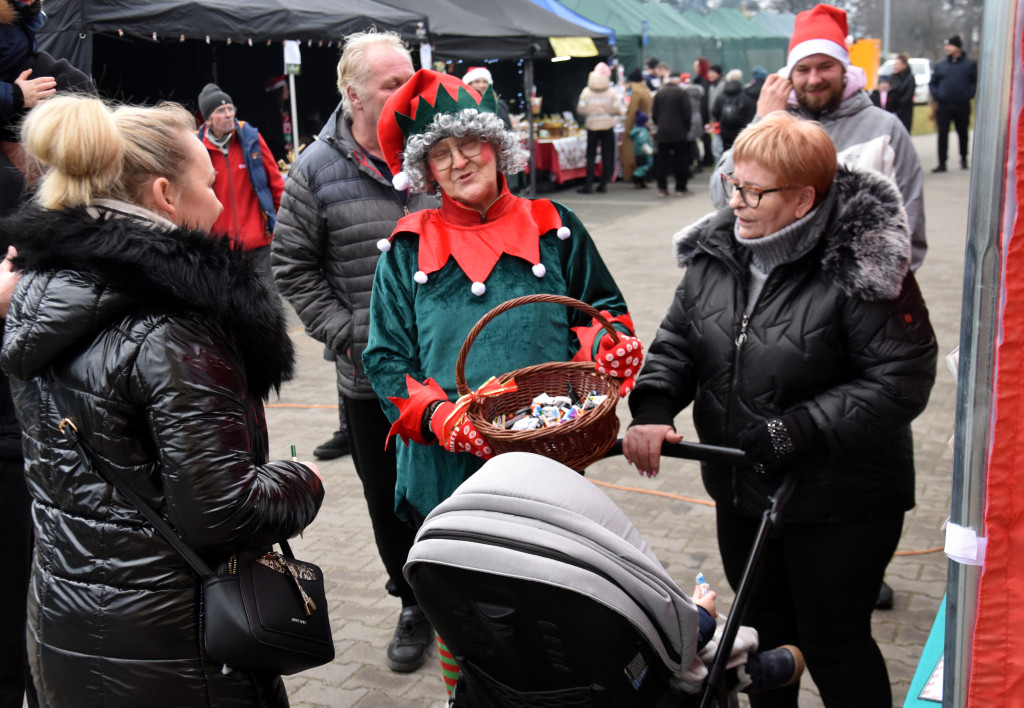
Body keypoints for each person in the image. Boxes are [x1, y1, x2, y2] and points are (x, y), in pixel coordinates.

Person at [0, 94, 325, 708]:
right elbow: (223, 512)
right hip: (173, 649)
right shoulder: (176, 327)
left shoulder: (38, 294)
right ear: (164, 196)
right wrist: (302, 479)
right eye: (209, 183)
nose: (220, 202)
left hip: (65, 628)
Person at [624, 112, 937, 707]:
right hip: (743, 487)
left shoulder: (860, 262)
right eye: (733, 183)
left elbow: (902, 377)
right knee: (762, 641)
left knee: (834, 642)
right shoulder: (717, 249)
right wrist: (654, 405)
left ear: (802, 200)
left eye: (753, 191)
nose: (734, 202)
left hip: (842, 500)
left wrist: (798, 430)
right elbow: (678, 342)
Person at [362, 68, 641, 696]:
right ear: (426, 170)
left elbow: (602, 311)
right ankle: (467, 697)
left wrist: (608, 352)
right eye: (440, 153)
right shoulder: (405, 250)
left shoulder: (555, 224)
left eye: (469, 143)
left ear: (496, 145)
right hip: (447, 468)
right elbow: (385, 360)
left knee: (550, 600)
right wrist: (442, 419)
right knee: (465, 614)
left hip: (548, 450)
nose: (459, 161)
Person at [270, 29, 438, 674]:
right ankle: (412, 602)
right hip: (371, 380)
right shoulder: (316, 167)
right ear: (353, 92)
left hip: (450, 370)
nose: (408, 90)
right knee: (390, 500)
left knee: (458, 490)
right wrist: (348, 334)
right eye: (392, 82)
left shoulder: (435, 148)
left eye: (410, 77)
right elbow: (293, 268)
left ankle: (466, 596)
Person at [710, 3, 927, 272]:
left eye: (825, 66)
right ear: (789, 74)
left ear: (845, 69)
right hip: (777, 287)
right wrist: (762, 122)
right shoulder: (772, 124)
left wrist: (875, 292)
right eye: (803, 69)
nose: (814, 79)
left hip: (854, 293)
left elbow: (910, 231)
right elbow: (721, 197)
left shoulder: (885, 130)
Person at [196, 82, 285, 266]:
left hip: (260, 243)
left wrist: (283, 224)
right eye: (221, 110)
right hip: (221, 250)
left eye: (230, 108)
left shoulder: (251, 139)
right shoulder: (198, 150)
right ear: (208, 119)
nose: (229, 114)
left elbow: (276, 183)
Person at [929, 35, 977, 172]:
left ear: (958, 47)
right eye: (946, 45)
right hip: (944, 105)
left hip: (962, 104)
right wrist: (938, 95)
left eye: (950, 45)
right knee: (942, 133)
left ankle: (963, 158)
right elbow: (933, 83)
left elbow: (975, 82)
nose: (947, 48)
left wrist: (968, 94)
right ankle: (942, 162)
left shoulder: (969, 64)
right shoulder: (941, 65)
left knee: (963, 132)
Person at [575, 61, 623, 194]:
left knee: (590, 156)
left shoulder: (586, 91)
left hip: (592, 127)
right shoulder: (611, 92)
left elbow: (581, 109)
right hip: (607, 126)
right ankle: (603, 184)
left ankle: (588, 185)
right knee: (606, 155)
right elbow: (617, 109)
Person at [652, 71, 692, 197]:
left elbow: (654, 114)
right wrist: (686, 128)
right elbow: (687, 113)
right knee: (680, 160)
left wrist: (660, 125)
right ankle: (680, 188)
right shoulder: (682, 93)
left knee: (662, 161)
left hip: (663, 132)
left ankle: (662, 188)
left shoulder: (659, 94)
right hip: (679, 132)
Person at [620, 67, 652, 183]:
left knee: (634, 154)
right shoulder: (646, 90)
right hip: (645, 126)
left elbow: (632, 112)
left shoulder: (636, 92)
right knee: (646, 153)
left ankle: (635, 176)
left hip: (636, 128)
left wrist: (627, 129)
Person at [713, 68, 756, 151]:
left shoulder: (721, 97)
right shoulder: (745, 96)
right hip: (740, 131)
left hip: (725, 130)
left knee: (726, 150)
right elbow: (750, 113)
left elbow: (715, 112)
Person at [887, 54, 916, 133]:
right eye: (894, 64)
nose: (895, 67)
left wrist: (900, 104)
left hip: (905, 110)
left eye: (897, 64)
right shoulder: (892, 77)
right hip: (892, 109)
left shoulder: (910, 78)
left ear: (904, 65)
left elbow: (909, 94)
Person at [629, 110, 654, 188]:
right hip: (644, 151)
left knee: (641, 165)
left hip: (638, 151)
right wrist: (649, 150)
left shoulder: (636, 130)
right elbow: (642, 141)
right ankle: (636, 176)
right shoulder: (643, 131)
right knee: (645, 165)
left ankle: (641, 182)